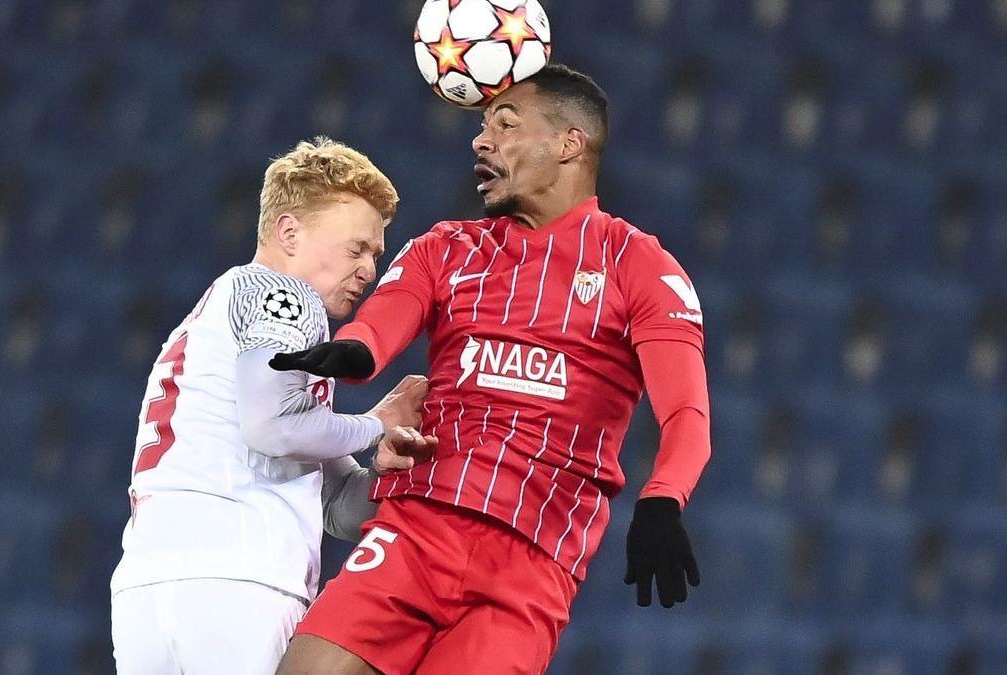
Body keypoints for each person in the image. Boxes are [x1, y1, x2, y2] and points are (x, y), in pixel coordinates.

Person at [273, 65, 713, 675]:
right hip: (418, 529)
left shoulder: (640, 266)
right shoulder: (446, 248)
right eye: (482, 127)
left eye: (505, 126)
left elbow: (686, 413)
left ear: (569, 143)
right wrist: (350, 352)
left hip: (530, 566)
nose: (481, 141)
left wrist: (662, 501)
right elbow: (379, 330)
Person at [110, 137, 438, 674]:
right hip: (237, 588)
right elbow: (273, 429)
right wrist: (374, 423)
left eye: (376, 255)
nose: (369, 271)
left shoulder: (218, 314)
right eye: (356, 248)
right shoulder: (284, 295)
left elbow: (334, 505)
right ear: (289, 232)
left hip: (149, 596)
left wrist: (384, 471)